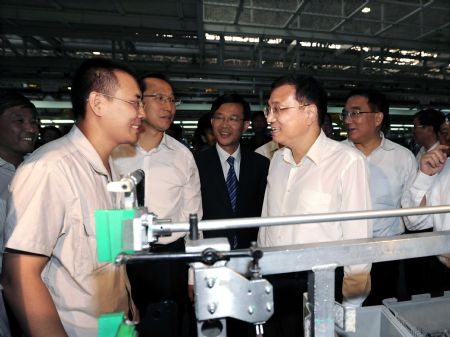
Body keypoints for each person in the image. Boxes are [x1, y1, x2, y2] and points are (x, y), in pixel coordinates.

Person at [1, 58, 144, 337]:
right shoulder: (51, 168)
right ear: (98, 104)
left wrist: (128, 305)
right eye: (134, 102)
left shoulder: (111, 170)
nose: (142, 112)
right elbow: (18, 277)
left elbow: (110, 258)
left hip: (116, 326)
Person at [257, 75, 372, 337]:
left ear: (309, 113)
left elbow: (359, 240)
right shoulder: (276, 161)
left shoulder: (346, 162)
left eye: (279, 109)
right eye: (269, 109)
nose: (270, 118)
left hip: (320, 283)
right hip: (275, 279)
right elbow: (267, 222)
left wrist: (350, 310)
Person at [112, 73, 202, 337]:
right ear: (139, 103)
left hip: (169, 260)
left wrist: (193, 274)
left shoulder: (182, 156)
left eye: (172, 100)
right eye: (160, 98)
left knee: (170, 328)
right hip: (122, 257)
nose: (169, 107)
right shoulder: (115, 151)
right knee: (126, 328)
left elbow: (195, 219)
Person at [341, 88, 417, 304]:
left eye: (355, 113)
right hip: (344, 251)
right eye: (345, 114)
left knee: (380, 311)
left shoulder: (402, 158)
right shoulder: (335, 155)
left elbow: (411, 211)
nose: (348, 120)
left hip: (386, 253)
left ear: (377, 118)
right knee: (342, 315)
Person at [195, 93, 269, 249]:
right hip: (210, 251)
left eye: (233, 119)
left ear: (245, 125)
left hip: (250, 252)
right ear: (212, 121)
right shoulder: (195, 164)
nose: (225, 125)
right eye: (219, 118)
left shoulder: (261, 165)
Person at [0, 91, 39, 337]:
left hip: (35, 285)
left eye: (33, 121)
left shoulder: (40, 168)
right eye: (19, 120)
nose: (30, 128)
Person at [401, 115, 450, 293]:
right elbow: (415, 222)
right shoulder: (443, 170)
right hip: (443, 273)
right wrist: (424, 176)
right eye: (445, 133)